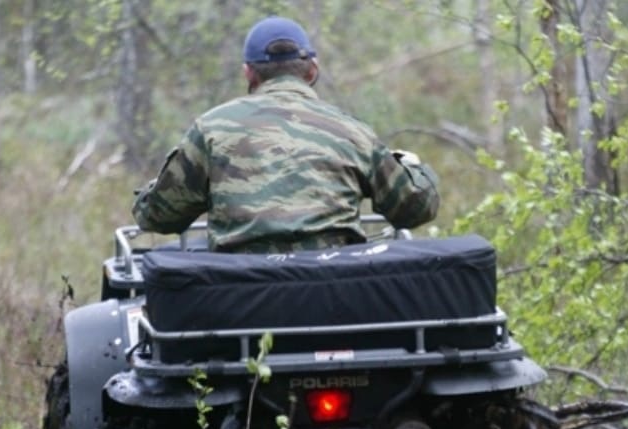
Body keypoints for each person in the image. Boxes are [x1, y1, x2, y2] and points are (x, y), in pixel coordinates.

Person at [132, 16, 440, 253]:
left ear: (249, 73)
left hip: (239, 309)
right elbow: (416, 208)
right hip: (335, 309)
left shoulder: (212, 129)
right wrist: (411, 167)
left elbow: (157, 216)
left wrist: (156, 187)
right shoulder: (352, 131)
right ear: (312, 71)